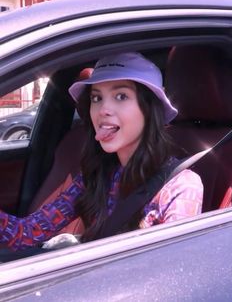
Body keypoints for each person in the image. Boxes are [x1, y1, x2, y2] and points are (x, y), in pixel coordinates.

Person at [0, 52, 203, 251]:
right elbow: (27, 233)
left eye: (121, 96)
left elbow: (175, 271)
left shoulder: (180, 187)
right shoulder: (95, 176)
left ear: (149, 109)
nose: (103, 109)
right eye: (96, 98)